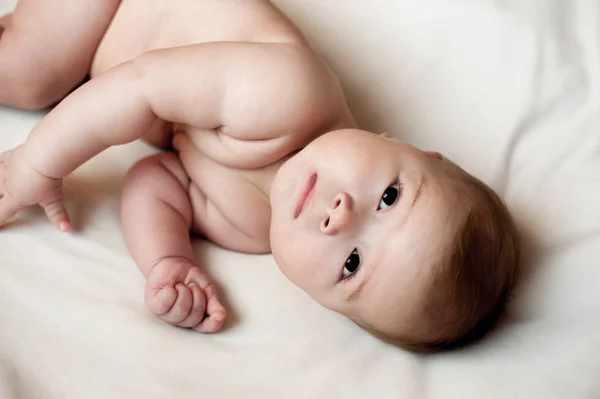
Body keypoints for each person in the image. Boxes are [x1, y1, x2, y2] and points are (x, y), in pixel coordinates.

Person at [0, 0, 519, 350]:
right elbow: (140, 86)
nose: (341, 215)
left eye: (353, 263)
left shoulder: (255, 228)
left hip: (97, 48)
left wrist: (168, 260)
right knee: (27, 75)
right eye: (389, 197)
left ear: (323, 301)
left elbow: (155, 183)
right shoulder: (291, 93)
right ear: (405, 146)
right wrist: (37, 163)